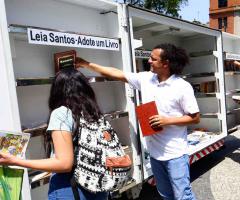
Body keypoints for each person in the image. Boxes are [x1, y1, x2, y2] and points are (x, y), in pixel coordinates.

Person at [75, 43, 200, 200]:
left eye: (153, 59)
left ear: (165, 63)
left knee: (183, 196)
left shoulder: (182, 87)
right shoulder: (147, 79)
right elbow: (116, 73)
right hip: (155, 154)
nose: (148, 61)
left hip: (175, 155)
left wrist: (166, 121)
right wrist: (86, 64)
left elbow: (195, 118)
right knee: (165, 195)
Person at [0, 69, 108, 200]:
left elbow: (64, 164)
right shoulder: (93, 113)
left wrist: (16, 161)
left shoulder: (61, 114)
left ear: (57, 90)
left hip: (70, 189)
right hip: (97, 186)